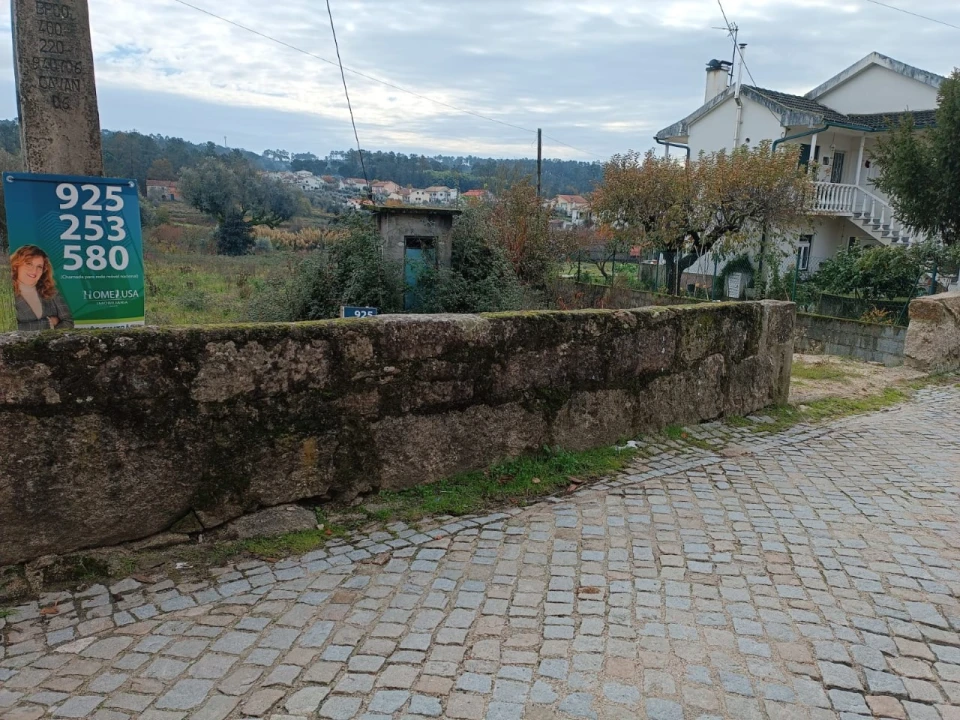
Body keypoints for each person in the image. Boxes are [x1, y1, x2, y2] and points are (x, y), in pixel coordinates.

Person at [9, 245, 74, 331]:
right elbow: (6, 330)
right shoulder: (5, 295)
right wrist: (49, 323)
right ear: (16, 266)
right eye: (29, 264)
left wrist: (48, 340)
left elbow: (68, 322)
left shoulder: (51, 292)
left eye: (39, 266)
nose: (34, 270)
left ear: (44, 270)